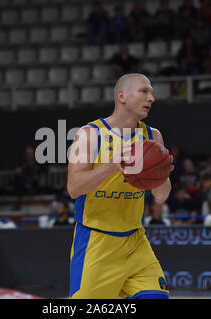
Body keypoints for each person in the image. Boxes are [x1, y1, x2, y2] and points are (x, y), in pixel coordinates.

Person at [67, 73, 174, 299]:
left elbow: (162, 196)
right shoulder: (89, 134)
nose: (152, 98)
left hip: (135, 240)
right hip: (96, 243)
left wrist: (161, 176)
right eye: (144, 91)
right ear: (122, 96)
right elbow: (74, 188)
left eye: (152, 92)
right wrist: (111, 166)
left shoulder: (152, 136)